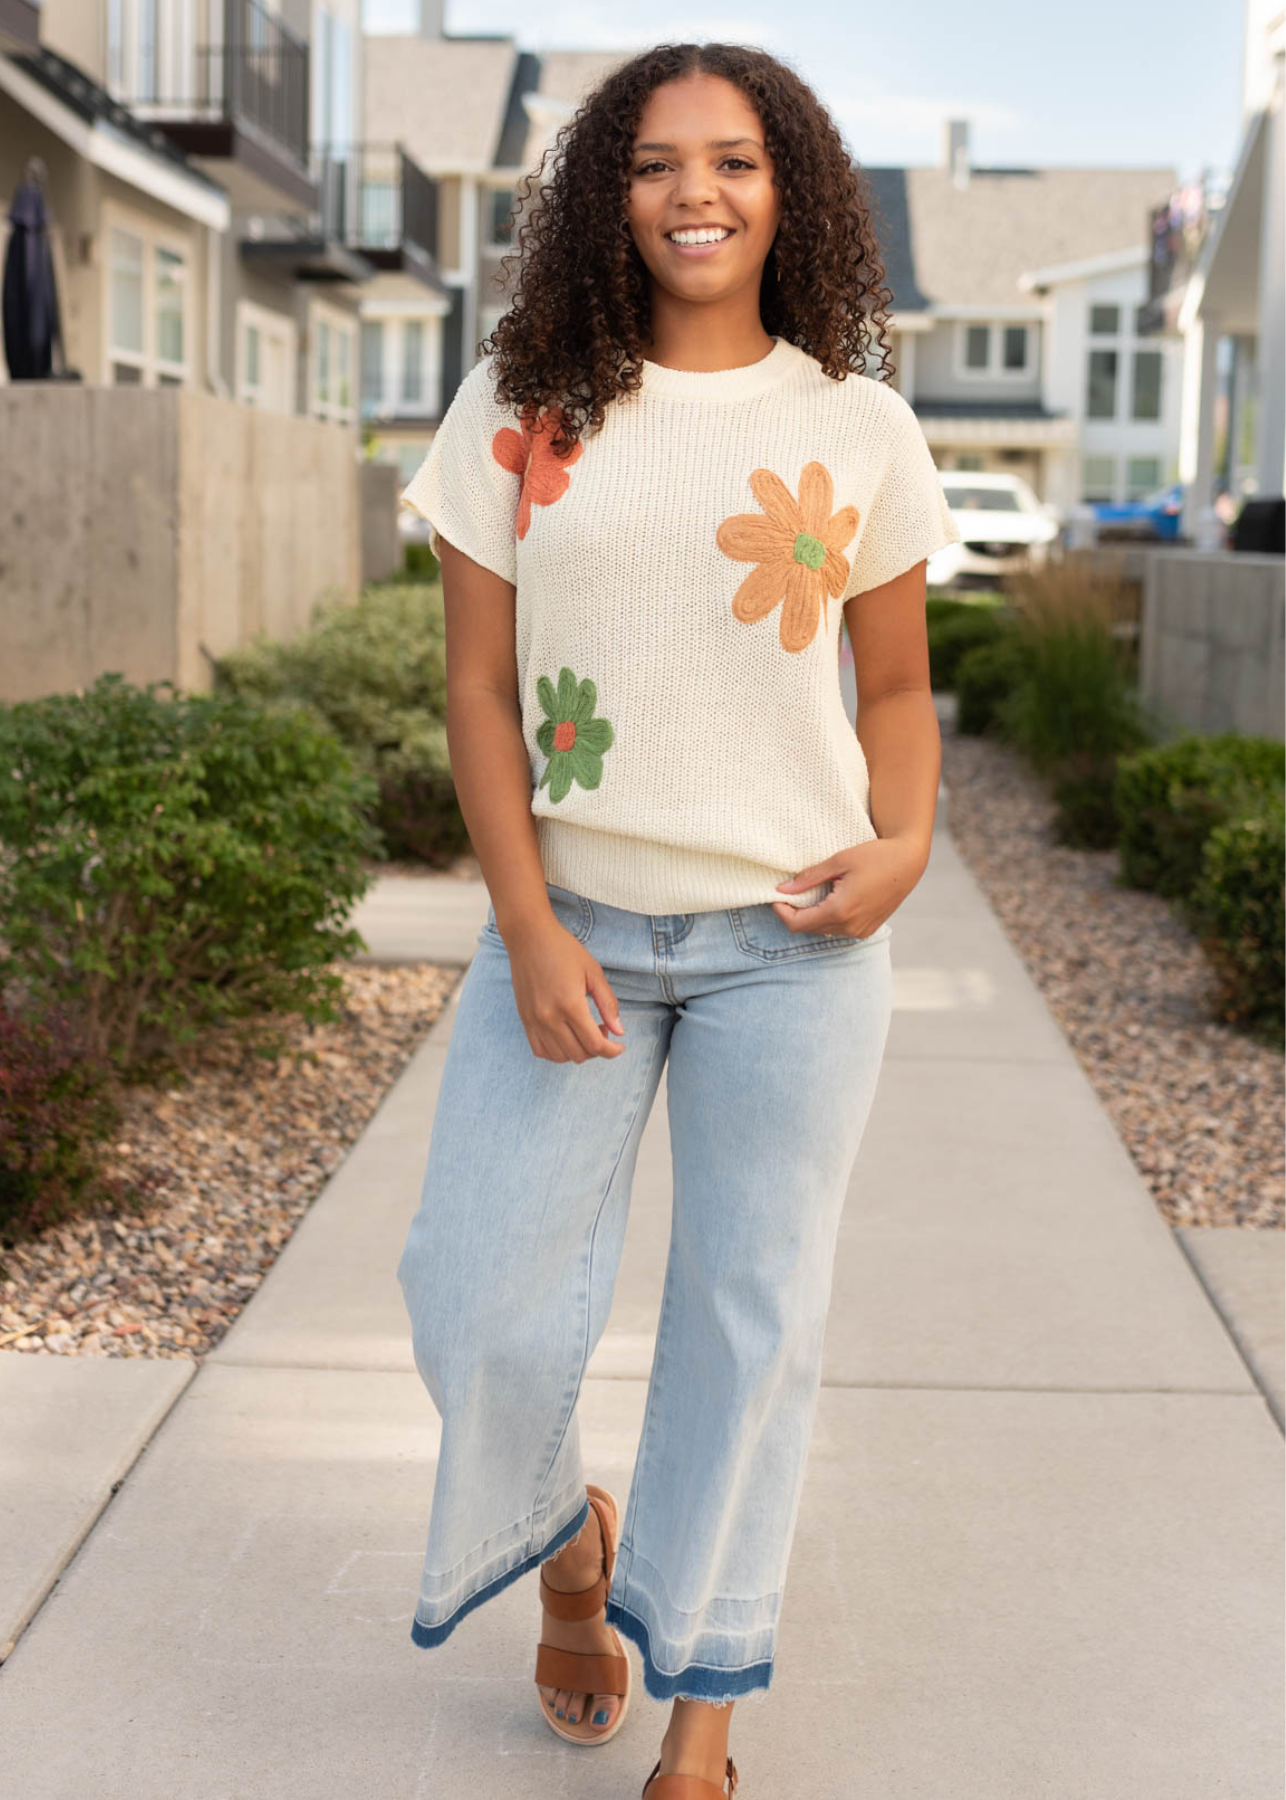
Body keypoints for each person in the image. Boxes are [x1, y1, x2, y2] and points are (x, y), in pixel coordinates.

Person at [396, 40, 961, 1800]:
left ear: (790, 188)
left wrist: (910, 839)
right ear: (604, 192)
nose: (692, 192)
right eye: (652, 162)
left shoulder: (852, 423)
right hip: (570, 928)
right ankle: (572, 1546)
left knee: (749, 1317)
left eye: (731, 158)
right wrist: (527, 921)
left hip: (793, 945)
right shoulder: (520, 399)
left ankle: (701, 1725)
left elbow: (892, 694)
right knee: (471, 1300)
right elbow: (479, 694)